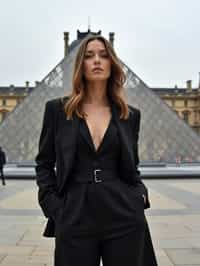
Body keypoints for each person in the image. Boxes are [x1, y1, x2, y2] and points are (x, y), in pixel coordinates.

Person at [35, 34, 158, 266]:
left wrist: (138, 195)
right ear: (80, 64)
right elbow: (43, 163)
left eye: (104, 55)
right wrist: (52, 205)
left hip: (123, 210)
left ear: (113, 63)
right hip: (74, 211)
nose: (97, 61)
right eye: (89, 56)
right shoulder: (57, 111)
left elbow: (132, 166)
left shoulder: (129, 115)